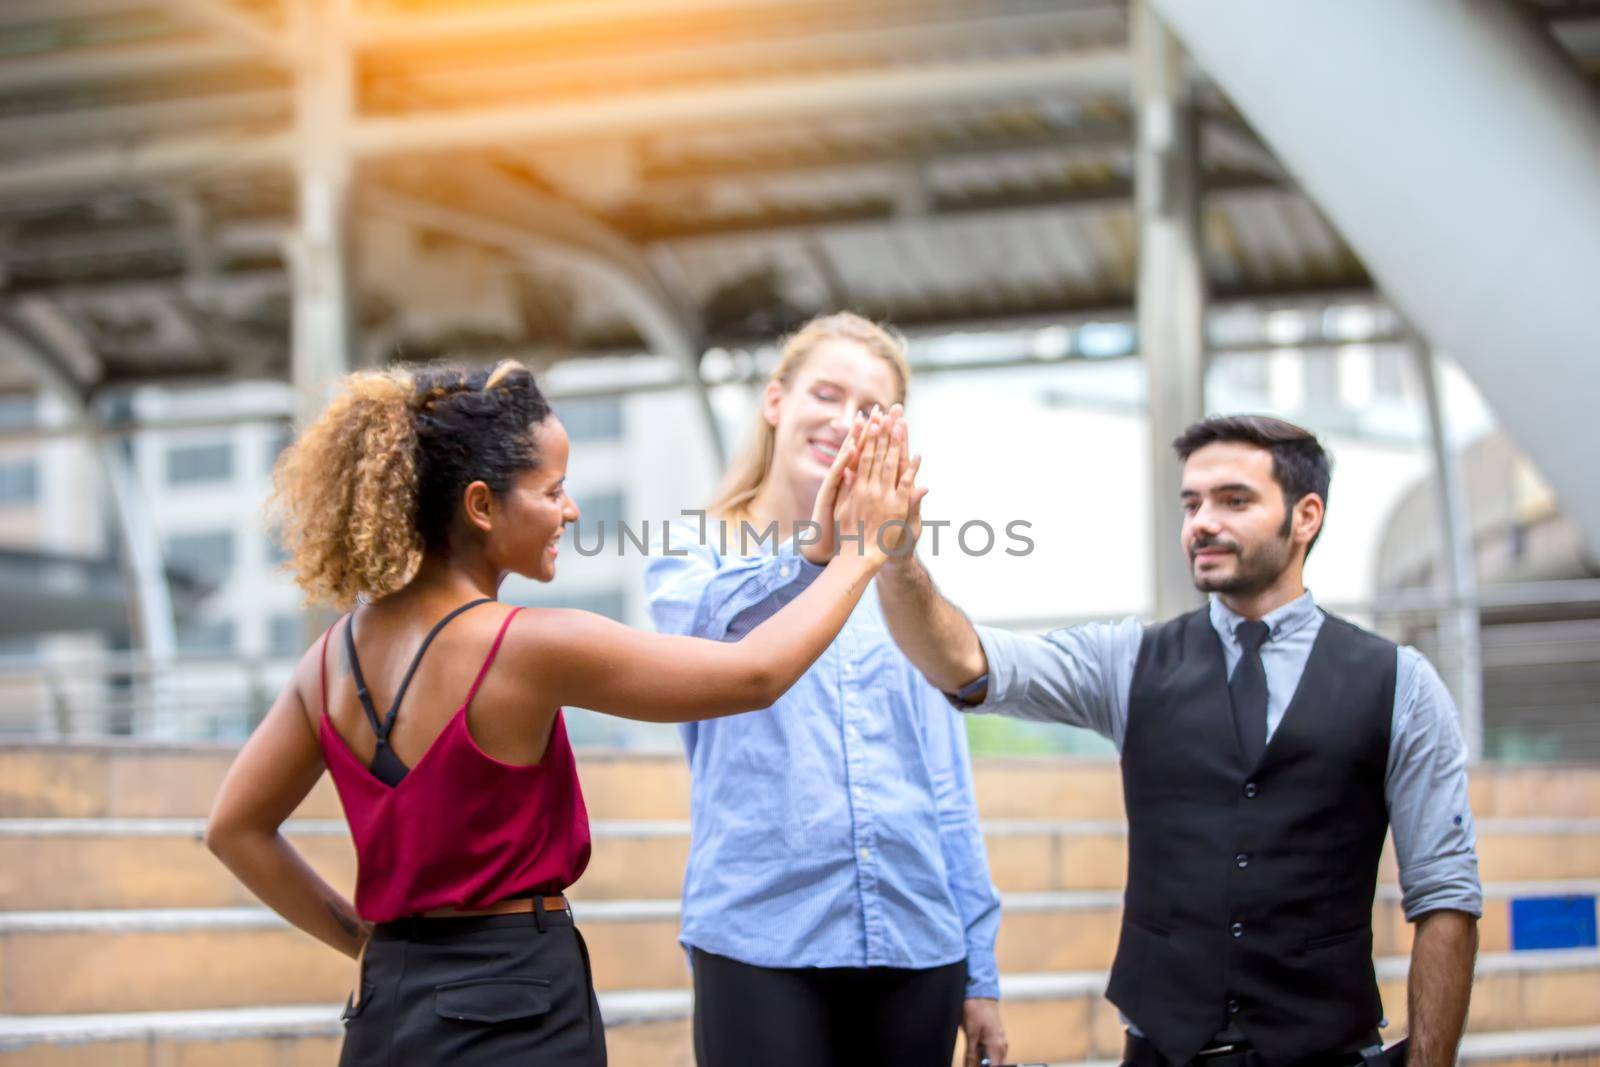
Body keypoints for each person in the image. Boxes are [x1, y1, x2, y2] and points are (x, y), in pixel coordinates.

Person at [204, 359, 916, 1066]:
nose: (571, 511)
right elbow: (755, 674)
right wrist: (861, 551)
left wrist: (367, 941)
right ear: (481, 506)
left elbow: (233, 829)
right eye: (555, 490)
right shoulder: (528, 645)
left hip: (390, 1003)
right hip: (522, 1005)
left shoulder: (328, 659)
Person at [874, 414, 1481, 1067]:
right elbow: (960, 658)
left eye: (1233, 499)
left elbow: (1445, 892)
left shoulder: (1401, 683)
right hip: (1162, 1051)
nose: (1202, 521)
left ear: (1305, 516)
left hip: (1325, 1051)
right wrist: (896, 555)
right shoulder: (1130, 659)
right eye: (1192, 502)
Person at [644, 313, 1007, 1067]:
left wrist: (981, 966)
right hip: (759, 939)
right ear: (776, 400)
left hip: (917, 941)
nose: (845, 421)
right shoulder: (692, 554)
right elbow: (711, 636)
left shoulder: (902, 582)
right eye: (827, 393)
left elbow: (944, 779)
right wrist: (819, 556)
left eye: (871, 409)